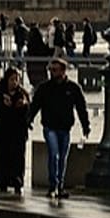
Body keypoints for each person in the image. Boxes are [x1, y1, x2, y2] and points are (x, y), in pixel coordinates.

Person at [28, 58, 90, 200]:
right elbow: (35, 105)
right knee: (54, 154)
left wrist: (85, 126)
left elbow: (81, 108)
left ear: (63, 71)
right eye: (50, 70)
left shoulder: (73, 88)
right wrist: (29, 120)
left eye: (55, 70)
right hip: (50, 127)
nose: (52, 73)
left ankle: (60, 186)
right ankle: (53, 186)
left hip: (65, 128)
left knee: (62, 157)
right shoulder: (44, 88)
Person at [0, 66, 30, 196]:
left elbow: (29, 111)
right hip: (3, 130)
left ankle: (17, 181)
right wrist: (3, 105)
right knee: (3, 157)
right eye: (12, 79)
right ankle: (2, 181)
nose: (14, 82)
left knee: (18, 157)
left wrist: (23, 106)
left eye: (16, 79)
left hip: (18, 131)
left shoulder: (22, 94)